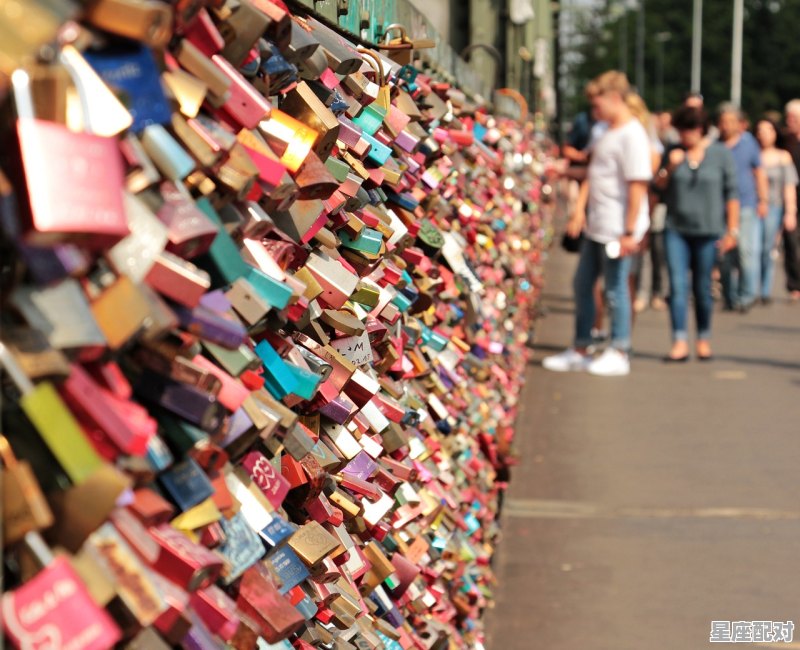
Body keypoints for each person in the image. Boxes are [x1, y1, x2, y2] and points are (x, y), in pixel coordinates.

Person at [543, 71, 652, 376]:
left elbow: (637, 187)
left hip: (619, 227)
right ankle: (582, 346)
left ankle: (620, 350)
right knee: (583, 284)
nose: (594, 112)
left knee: (615, 289)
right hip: (598, 223)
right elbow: (593, 173)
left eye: (597, 104)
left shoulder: (633, 135)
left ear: (614, 98)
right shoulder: (603, 129)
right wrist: (579, 211)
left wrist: (630, 231)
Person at [655, 106, 740, 361]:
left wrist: (732, 230)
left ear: (700, 129)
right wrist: (669, 167)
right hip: (676, 229)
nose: (684, 135)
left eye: (688, 130)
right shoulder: (672, 152)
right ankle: (679, 340)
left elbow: (732, 194)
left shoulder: (720, 154)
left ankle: (703, 337)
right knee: (678, 286)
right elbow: (657, 187)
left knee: (702, 288)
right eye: (680, 130)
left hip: (708, 230)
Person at [717, 104, 769, 312]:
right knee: (724, 256)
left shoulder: (749, 143)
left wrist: (763, 200)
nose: (727, 125)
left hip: (746, 205)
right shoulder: (715, 145)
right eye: (723, 121)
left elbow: (759, 172)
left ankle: (746, 296)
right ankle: (729, 295)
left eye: (731, 121)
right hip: (721, 207)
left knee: (747, 253)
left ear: (739, 123)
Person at [755, 117, 798, 304]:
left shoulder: (783, 156)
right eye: (760, 130)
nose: (763, 135)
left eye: (768, 130)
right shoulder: (753, 154)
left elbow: (788, 186)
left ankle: (764, 290)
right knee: (752, 249)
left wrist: (790, 211)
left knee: (767, 248)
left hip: (774, 207)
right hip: (753, 206)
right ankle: (751, 287)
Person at [782, 100, 800, 301]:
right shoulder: (785, 140)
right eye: (789, 117)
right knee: (791, 242)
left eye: (794, 118)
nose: (790, 121)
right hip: (789, 197)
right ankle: (794, 284)